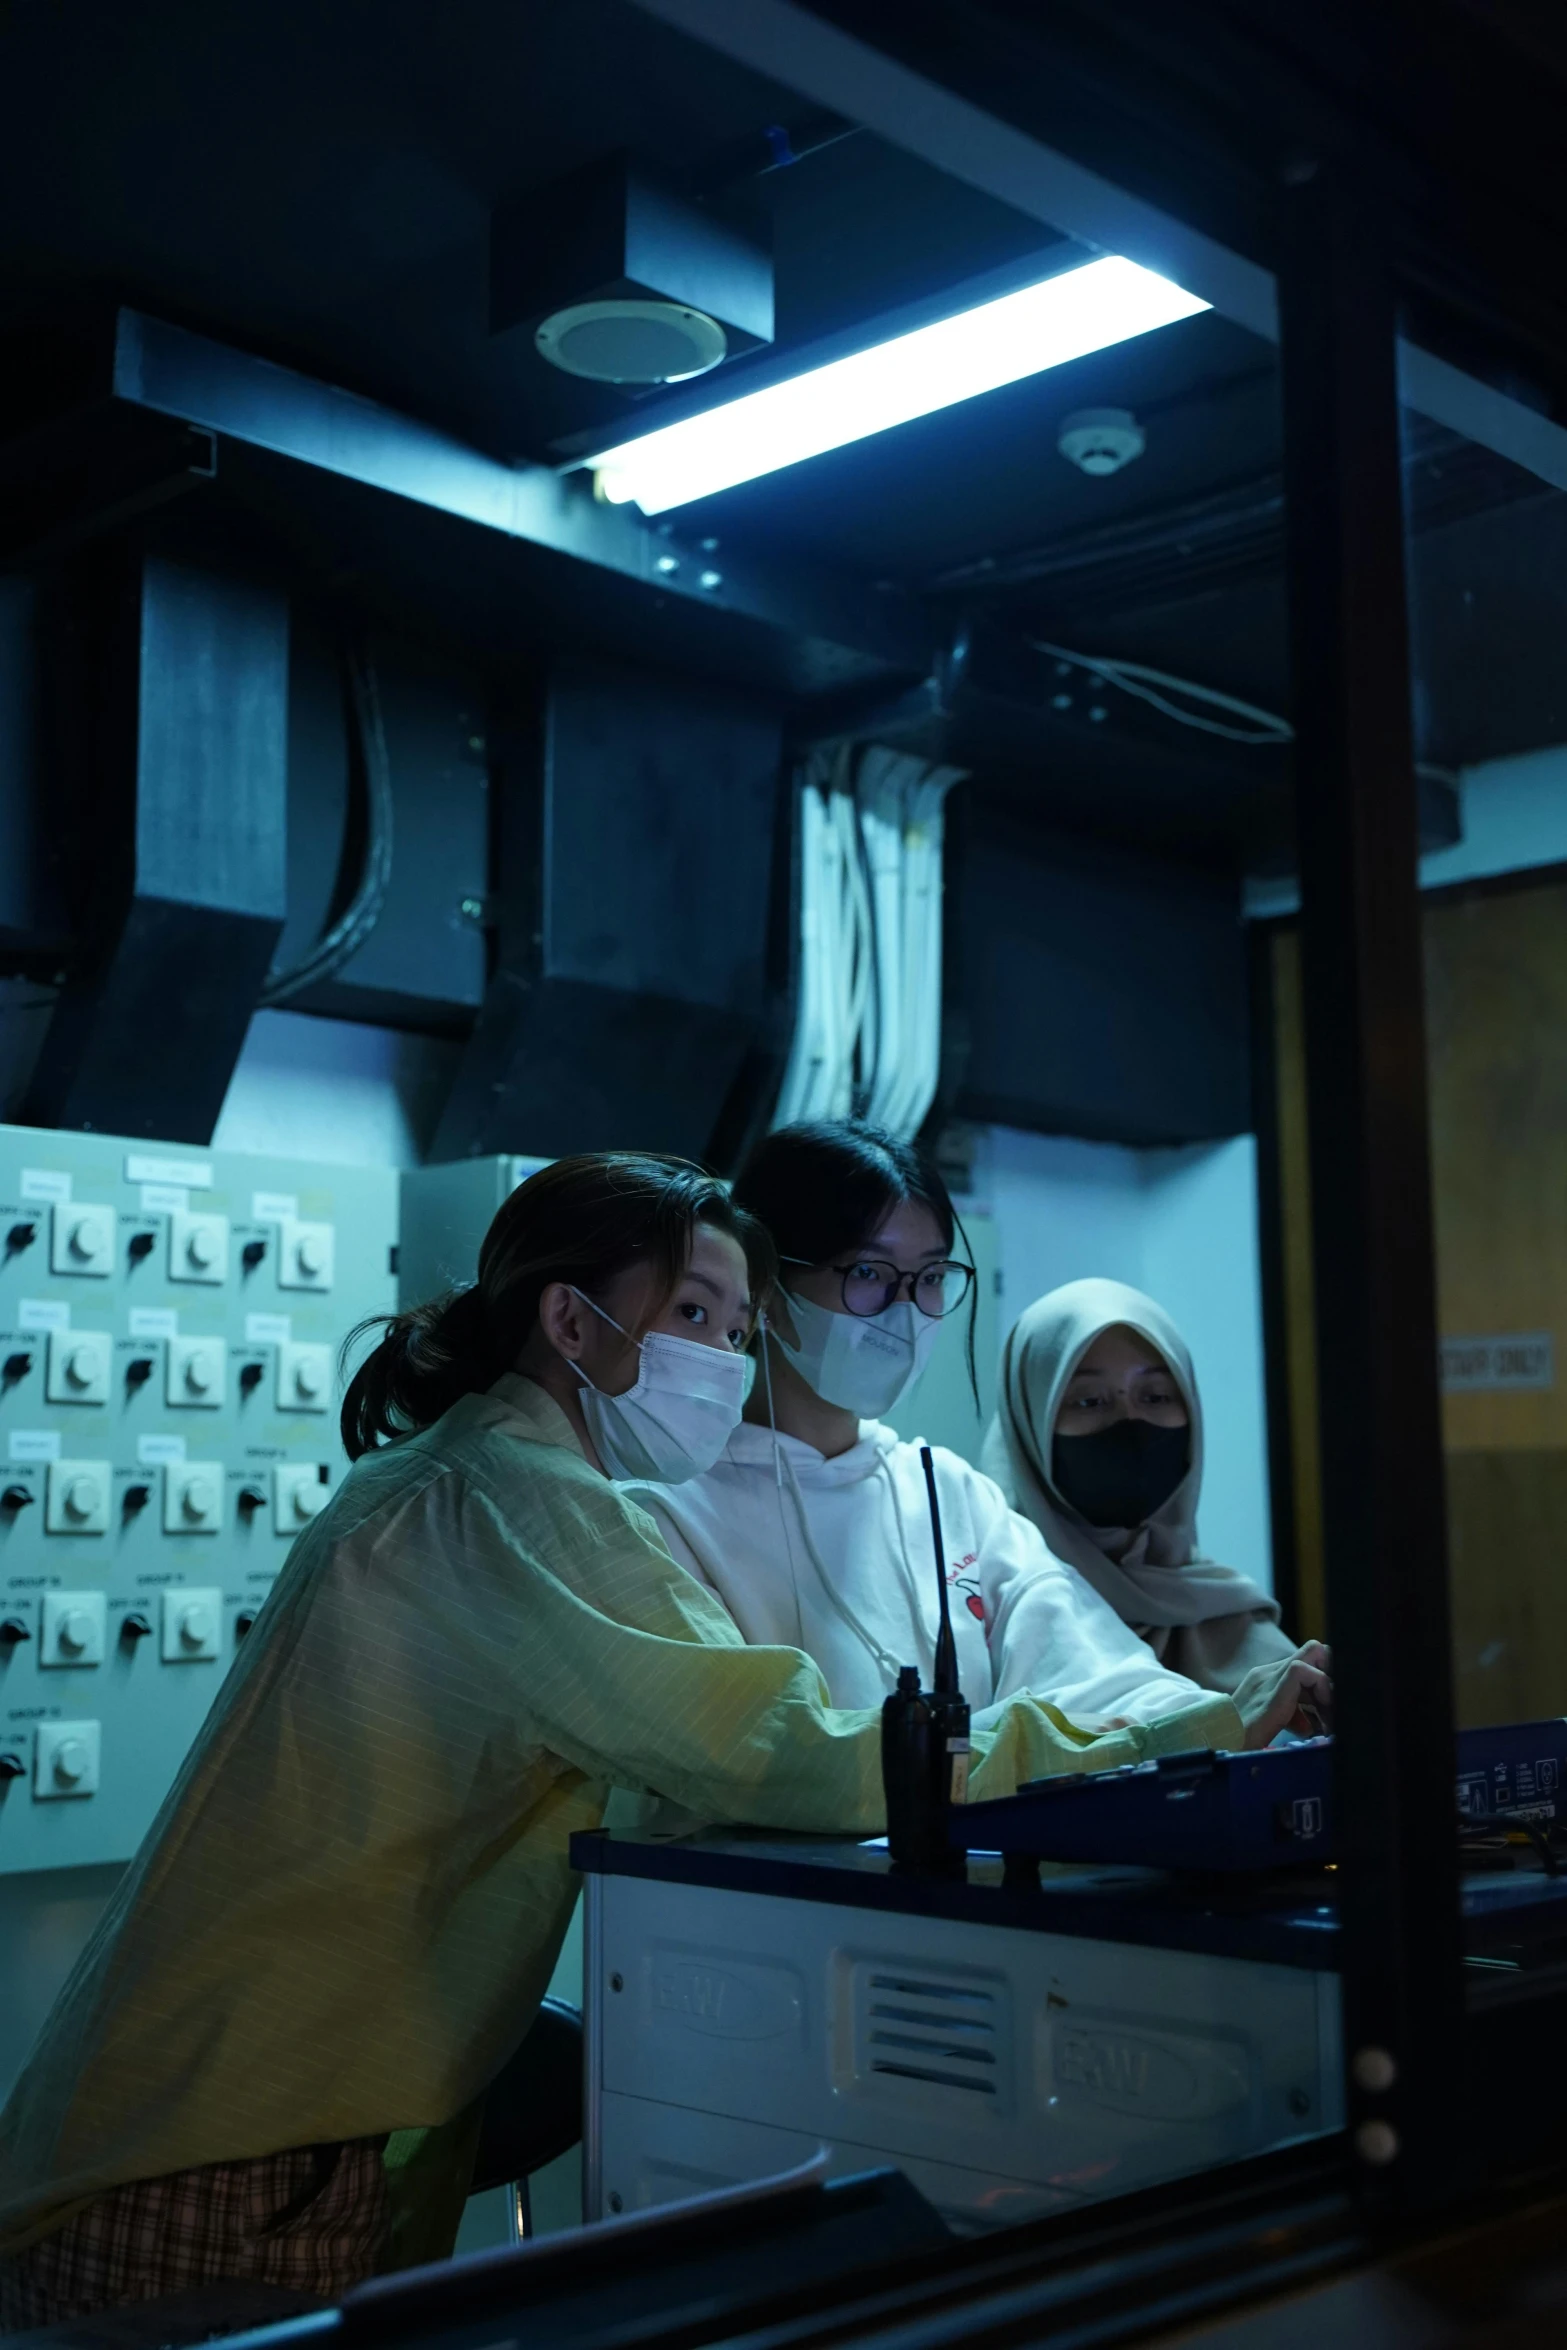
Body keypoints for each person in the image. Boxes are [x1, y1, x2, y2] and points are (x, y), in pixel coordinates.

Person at [0, 1154, 1278, 2331]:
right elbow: (795, 1752)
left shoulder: (473, 1475)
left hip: (263, 2107)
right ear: (571, 1322)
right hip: (239, 2143)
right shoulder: (521, 1507)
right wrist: (1138, 1743)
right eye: (694, 1319)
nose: (724, 1359)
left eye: (735, 1325)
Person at [630, 1122, 1324, 1739]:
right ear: (767, 1287)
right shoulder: (668, 1509)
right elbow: (764, 1753)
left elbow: (1094, 1670)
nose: (904, 1310)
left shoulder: (946, 1493)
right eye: (868, 1272)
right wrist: (1030, 1737)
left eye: (930, 1276)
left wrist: (1219, 1714)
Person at [981, 1276, 1308, 1691]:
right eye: (1088, 1400)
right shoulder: (980, 1625)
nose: (1129, 1423)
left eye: (1155, 1396)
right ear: (1028, 1428)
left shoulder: (1240, 1630)